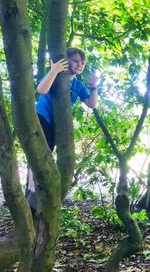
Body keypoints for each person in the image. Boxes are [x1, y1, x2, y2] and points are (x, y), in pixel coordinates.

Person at [27, 47, 98, 207]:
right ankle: (32, 189)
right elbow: (41, 89)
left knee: (47, 154)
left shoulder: (78, 85)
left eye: (82, 62)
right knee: (39, 153)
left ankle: (40, 189)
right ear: (66, 61)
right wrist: (54, 71)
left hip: (57, 126)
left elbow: (92, 104)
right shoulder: (57, 76)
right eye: (75, 61)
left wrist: (94, 86)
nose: (80, 65)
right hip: (43, 118)